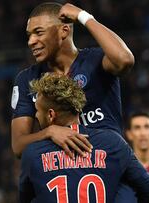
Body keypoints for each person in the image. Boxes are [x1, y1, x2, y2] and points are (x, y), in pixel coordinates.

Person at [11, 2, 135, 158]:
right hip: (61, 174)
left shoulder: (95, 61)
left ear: (64, 31)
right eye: (29, 35)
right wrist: (50, 132)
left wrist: (84, 17)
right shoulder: (26, 79)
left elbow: (125, 60)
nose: (31, 41)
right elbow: (18, 146)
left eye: (38, 32)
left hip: (107, 165)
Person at [19, 73, 149, 203]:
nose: (36, 115)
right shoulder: (113, 142)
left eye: (37, 110)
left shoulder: (32, 153)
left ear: (51, 114)